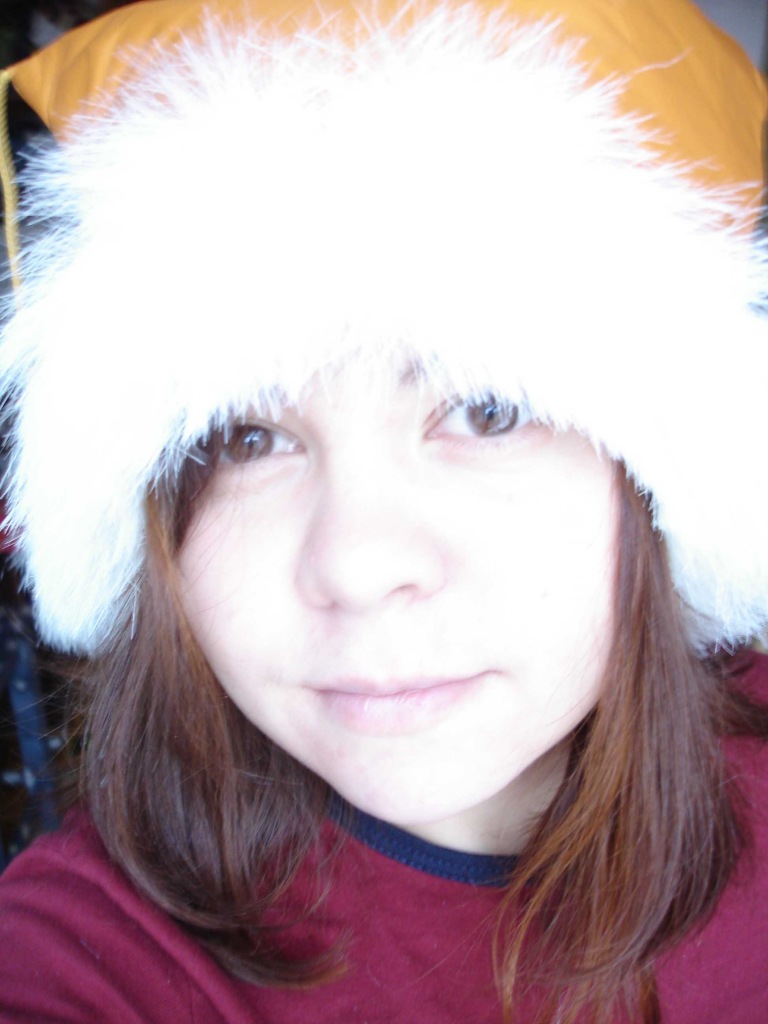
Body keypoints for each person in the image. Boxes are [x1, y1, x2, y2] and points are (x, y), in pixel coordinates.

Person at [0, 0, 766, 1020]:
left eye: (488, 410)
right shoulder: (89, 956)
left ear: (663, 481)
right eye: (246, 438)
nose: (357, 564)